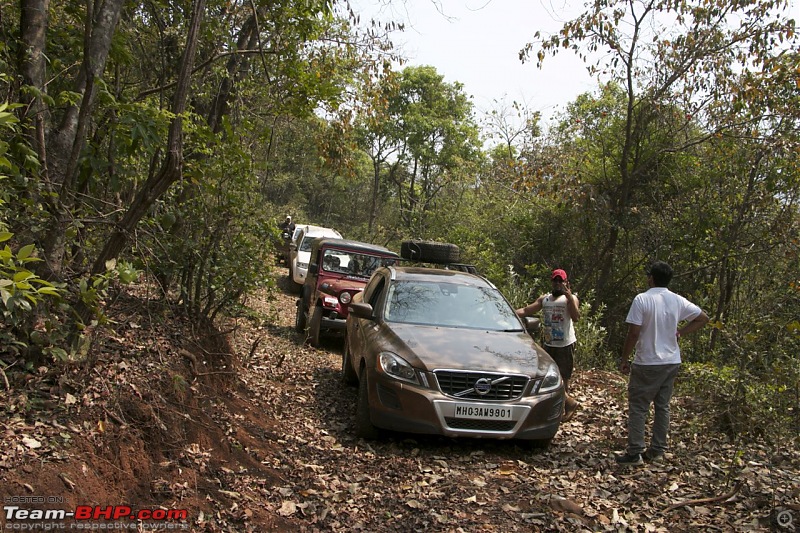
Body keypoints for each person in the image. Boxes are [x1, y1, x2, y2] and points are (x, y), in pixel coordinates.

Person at [615, 261, 709, 466]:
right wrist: (680, 333)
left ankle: (635, 452)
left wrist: (624, 359)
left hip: (647, 362)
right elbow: (703, 317)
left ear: (651, 278)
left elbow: (633, 333)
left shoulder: (642, 299)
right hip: (671, 361)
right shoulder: (677, 300)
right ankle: (657, 451)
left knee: (639, 406)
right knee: (662, 406)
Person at [516, 268, 581, 421]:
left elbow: (576, 317)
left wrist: (569, 297)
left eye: (561, 281)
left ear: (566, 282)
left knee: (564, 377)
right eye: (555, 280)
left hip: (565, 344)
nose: (558, 283)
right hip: (548, 343)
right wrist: (508, 313)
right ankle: (566, 404)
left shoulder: (570, 299)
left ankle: (564, 408)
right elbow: (526, 310)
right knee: (548, 376)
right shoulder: (544, 299)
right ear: (551, 282)